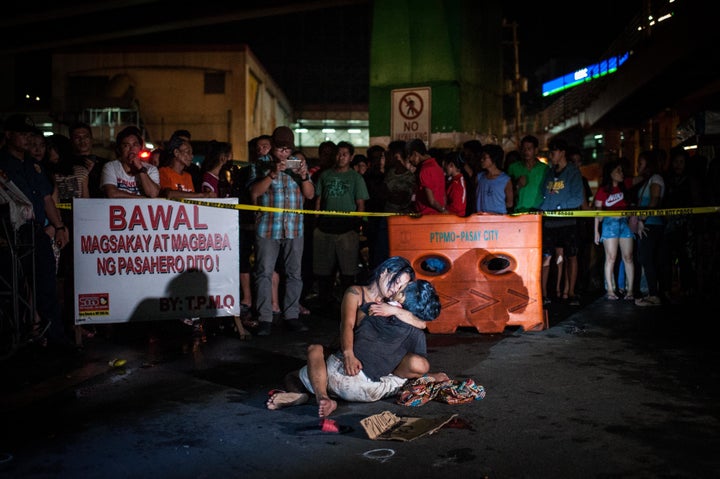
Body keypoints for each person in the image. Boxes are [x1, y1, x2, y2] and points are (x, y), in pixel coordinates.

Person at [0, 114, 73, 351]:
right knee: (15, 287)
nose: (27, 139)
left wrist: (59, 226)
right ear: (8, 135)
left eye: (29, 134)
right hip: (9, 233)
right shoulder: (2, 163)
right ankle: (19, 337)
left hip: (36, 232)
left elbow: (46, 200)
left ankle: (55, 338)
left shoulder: (34, 166)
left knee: (46, 284)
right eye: (21, 134)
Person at [249, 126, 315, 336]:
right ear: (273, 147)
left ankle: (292, 315)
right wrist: (273, 173)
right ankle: (265, 318)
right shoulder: (260, 164)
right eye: (280, 149)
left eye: (287, 150)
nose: (284, 154)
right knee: (264, 273)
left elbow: (311, 195)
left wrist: (304, 176)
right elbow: (254, 192)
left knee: (295, 274)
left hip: (294, 227)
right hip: (268, 227)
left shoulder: (298, 164)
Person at [313, 140, 369, 308]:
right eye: (338, 153)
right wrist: (316, 222)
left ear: (351, 157)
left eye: (345, 154)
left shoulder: (355, 178)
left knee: (347, 271)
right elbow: (319, 200)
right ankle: (326, 301)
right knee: (324, 270)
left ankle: (348, 304)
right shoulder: (325, 175)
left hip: (346, 230)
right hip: (325, 229)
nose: (341, 157)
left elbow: (360, 204)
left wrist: (358, 227)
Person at [538, 138, 584, 306]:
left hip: (568, 222)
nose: (551, 156)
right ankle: (544, 294)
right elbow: (544, 194)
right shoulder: (549, 172)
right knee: (548, 257)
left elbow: (577, 198)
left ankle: (570, 292)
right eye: (550, 152)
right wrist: (541, 208)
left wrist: (557, 206)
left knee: (571, 256)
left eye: (553, 152)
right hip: (550, 222)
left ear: (562, 152)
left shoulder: (573, 172)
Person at [593, 159, 636, 301]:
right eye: (618, 171)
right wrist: (596, 231)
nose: (621, 173)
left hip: (624, 223)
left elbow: (641, 178)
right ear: (610, 173)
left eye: (622, 170)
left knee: (628, 257)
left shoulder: (626, 186)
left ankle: (630, 290)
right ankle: (610, 290)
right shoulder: (602, 190)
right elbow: (597, 213)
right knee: (611, 258)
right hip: (609, 223)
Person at [632, 149, 665, 306]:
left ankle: (654, 294)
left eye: (641, 163)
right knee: (644, 258)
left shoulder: (656, 178)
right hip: (645, 224)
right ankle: (652, 292)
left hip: (651, 224)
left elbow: (654, 201)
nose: (638, 166)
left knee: (646, 258)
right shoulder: (646, 180)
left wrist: (643, 220)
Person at [101, 126, 160, 198]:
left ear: (140, 148)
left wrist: (140, 168)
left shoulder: (151, 169)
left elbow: (153, 193)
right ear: (120, 150)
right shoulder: (110, 167)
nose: (131, 149)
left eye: (135, 145)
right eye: (126, 145)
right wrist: (139, 198)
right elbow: (111, 193)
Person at [158, 135, 214, 200]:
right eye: (188, 152)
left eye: (191, 153)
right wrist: (202, 195)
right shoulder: (164, 171)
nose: (192, 156)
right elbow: (169, 194)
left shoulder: (188, 176)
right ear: (176, 152)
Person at [507, 135, 548, 213]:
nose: (526, 152)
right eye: (524, 149)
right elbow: (507, 193)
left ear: (536, 150)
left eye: (529, 149)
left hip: (538, 211)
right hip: (518, 211)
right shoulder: (513, 168)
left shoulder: (544, 169)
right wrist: (517, 186)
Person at [69, 121, 109, 198]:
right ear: (71, 140)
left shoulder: (105, 164)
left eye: (85, 137)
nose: (82, 140)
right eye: (77, 137)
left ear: (91, 139)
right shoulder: (67, 165)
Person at [406, 139, 446, 214]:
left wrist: (444, 211)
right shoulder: (437, 167)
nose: (410, 161)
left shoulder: (425, 170)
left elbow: (432, 201)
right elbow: (443, 195)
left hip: (426, 217)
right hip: (437, 216)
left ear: (415, 154)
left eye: (409, 157)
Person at [475, 143, 513, 214]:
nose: (481, 160)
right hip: (480, 220)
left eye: (484, 157)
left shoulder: (505, 180)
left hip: (498, 220)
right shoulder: (479, 177)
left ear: (494, 158)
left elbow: (510, 203)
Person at [443, 152, 467, 216]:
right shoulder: (455, 180)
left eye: (445, 165)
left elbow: (457, 207)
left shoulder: (457, 183)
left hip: (455, 219)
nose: (444, 169)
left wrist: (442, 209)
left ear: (451, 165)